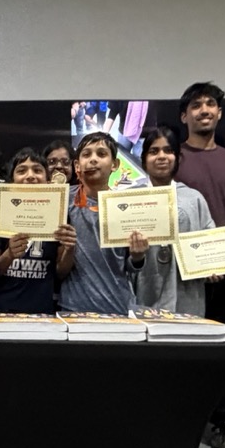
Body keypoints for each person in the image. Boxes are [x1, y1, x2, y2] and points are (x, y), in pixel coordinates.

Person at [174, 82, 225, 448]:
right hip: (179, 272)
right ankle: (182, 421)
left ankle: (223, 421)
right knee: (180, 349)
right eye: (196, 105)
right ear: (184, 115)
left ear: (219, 113)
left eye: (210, 105)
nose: (204, 110)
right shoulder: (173, 160)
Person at [58, 132, 148, 314]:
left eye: (101, 154)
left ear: (115, 164)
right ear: (77, 164)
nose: (93, 160)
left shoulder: (127, 205)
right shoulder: (61, 201)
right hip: (73, 308)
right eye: (86, 154)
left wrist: (138, 257)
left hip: (118, 307)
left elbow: (130, 267)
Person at [131, 126, 215, 318]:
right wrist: (135, 257)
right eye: (154, 151)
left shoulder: (194, 199)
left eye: (168, 151)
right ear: (144, 160)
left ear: (177, 158)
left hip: (187, 296)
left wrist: (212, 266)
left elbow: (210, 241)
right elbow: (118, 257)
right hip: (144, 294)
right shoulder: (130, 200)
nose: (161, 156)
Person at [0, 148, 76, 314]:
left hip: (41, 310)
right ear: (12, 180)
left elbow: (60, 273)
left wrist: (69, 249)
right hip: (1, 308)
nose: (30, 176)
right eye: (21, 171)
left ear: (47, 179)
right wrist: (9, 254)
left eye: (37, 170)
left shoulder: (59, 214)